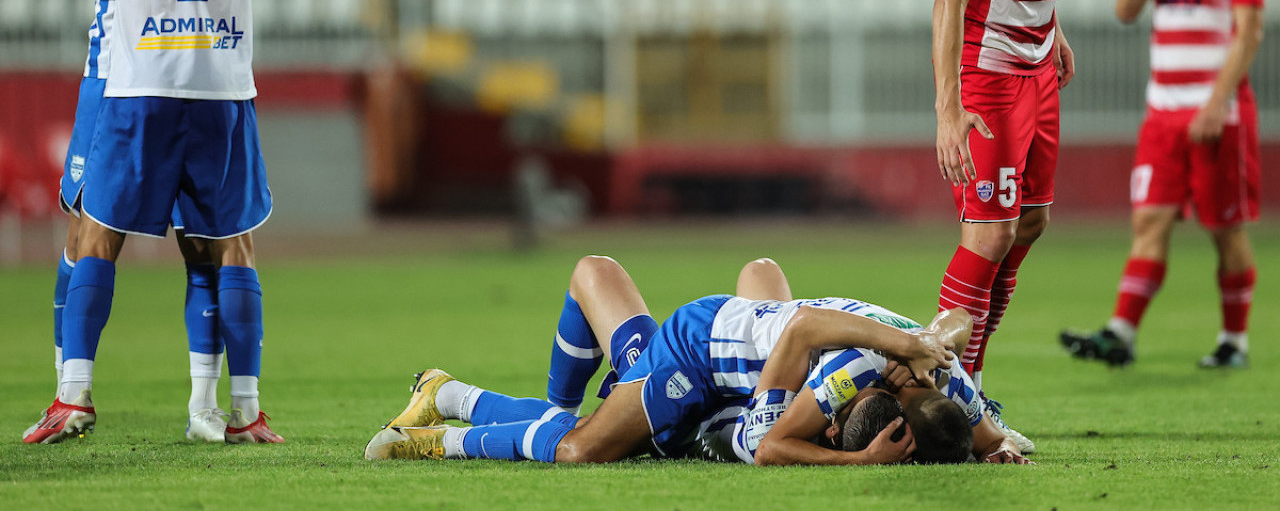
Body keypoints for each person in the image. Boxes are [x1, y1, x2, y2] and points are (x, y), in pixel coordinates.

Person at [22, 0, 307, 446]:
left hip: (140, 79)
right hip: (146, 74)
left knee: (153, 239)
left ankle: (146, 401)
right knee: (113, 231)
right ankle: (101, 388)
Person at [931, 0, 1131, 451]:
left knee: (1030, 223)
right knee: (987, 234)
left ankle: (970, 384)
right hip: (990, 74)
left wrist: (1053, 28)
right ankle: (941, 397)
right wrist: (950, 110)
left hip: (1039, 64)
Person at [364, 256, 1029, 465]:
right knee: (576, 450)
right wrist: (910, 346)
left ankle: (446, 391)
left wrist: (928, 340)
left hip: (731, 349)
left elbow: (983, 417)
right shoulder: (848, 375)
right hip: (700, 352)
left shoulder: (947, 384)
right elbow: (770, 444)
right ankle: (442, 439)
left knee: (760, 272)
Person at [1059, 0, 1263, 369]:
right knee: (1149, 221)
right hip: (1162, 114)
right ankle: (1120, 333)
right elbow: (1126, 8)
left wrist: (1217, 102)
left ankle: (1234, 341)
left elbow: (1249, 32)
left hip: (1216, 113)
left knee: (1224, 230)